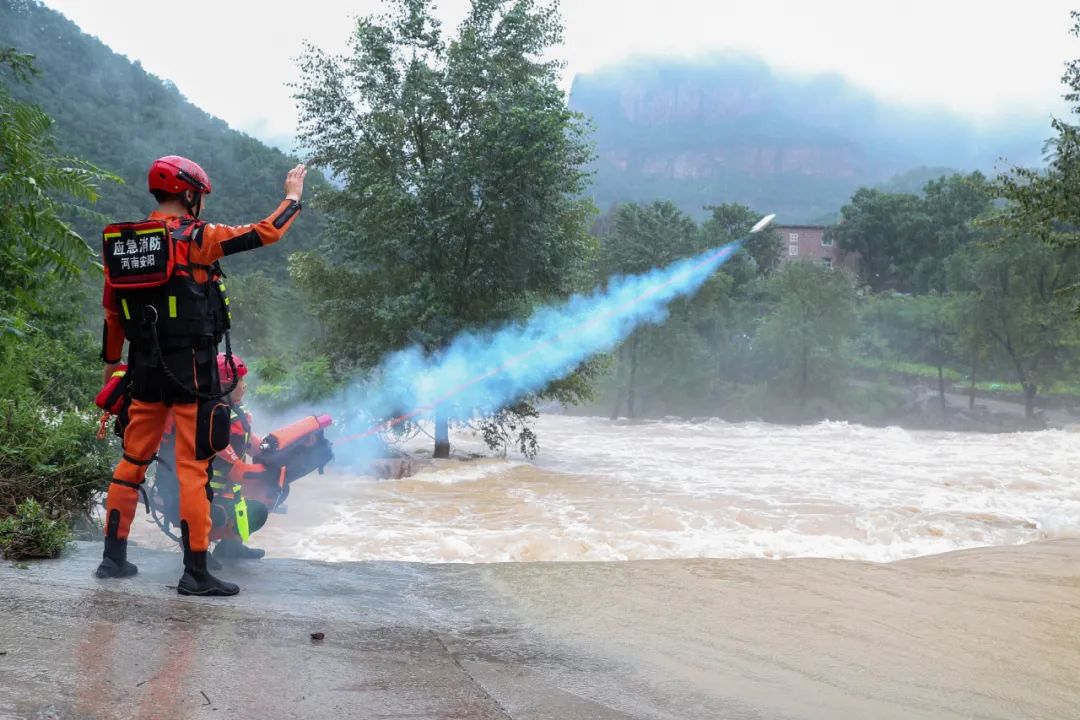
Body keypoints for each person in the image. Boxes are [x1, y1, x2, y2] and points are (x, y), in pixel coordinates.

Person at [95, 155, 306, 596]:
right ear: (189, 194)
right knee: (194, 467)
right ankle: (195, 573)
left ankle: (113, 559)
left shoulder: (121, 243)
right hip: (191, 370)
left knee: (132, 462)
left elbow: (113, 312)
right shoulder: (198, 237)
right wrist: (291, 197)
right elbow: (265, 232)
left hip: (143, 369)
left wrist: (114, 362)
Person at [149, 352, 334, 564]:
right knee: (232, 511)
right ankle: (194, 549)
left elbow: (255, 447)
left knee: (270, 496)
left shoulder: (234, 413)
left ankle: (231, 546)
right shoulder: (210, 417)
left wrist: (298, 447)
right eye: (239, 380)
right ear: (224, 385)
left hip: (216, 492)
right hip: (192, 496)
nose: (244, 385)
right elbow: (237, 471)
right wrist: (275, 472)